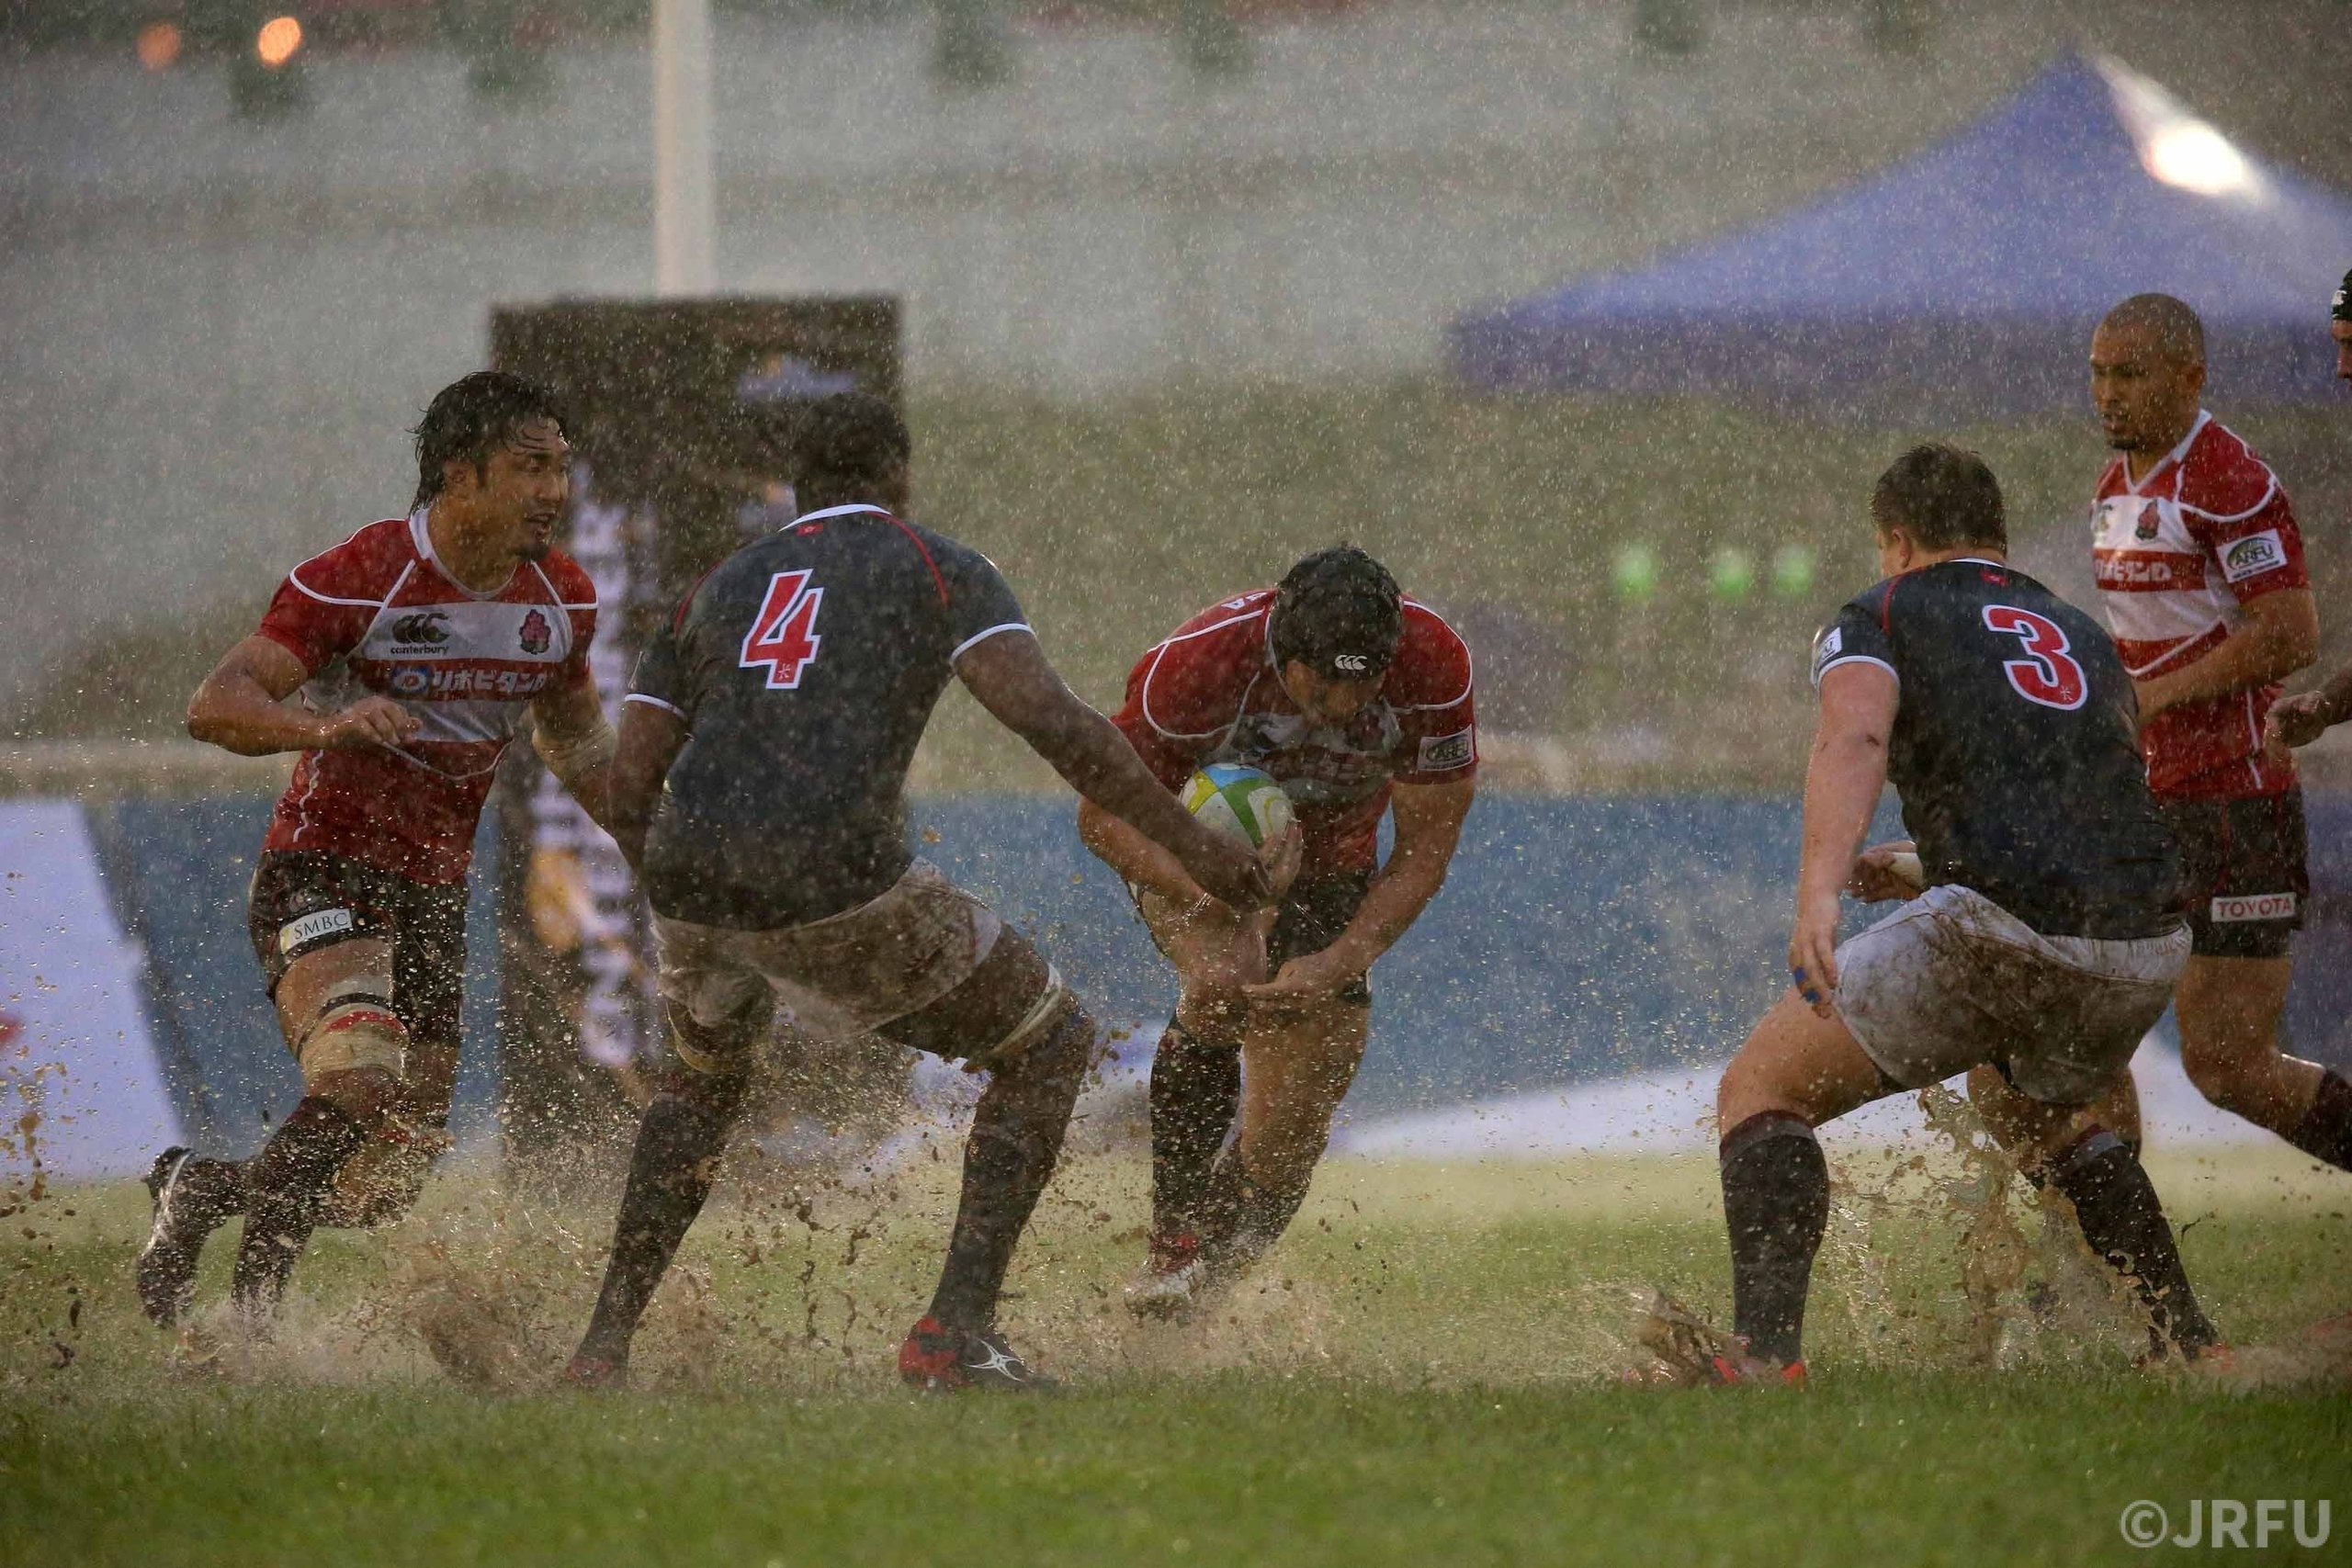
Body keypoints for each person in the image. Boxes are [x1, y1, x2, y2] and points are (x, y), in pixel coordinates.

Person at [560, 392, 1271, 1393]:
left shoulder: (717, 588)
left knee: (699, 1082)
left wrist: (700, 890)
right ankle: (954, 1335)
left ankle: (600, 1350)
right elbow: (1048, 719)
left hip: (687, 870)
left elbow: (631, 786)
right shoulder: (936, 564)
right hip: (825, 866)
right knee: (1051, 1043)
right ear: (898, 476)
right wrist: (1195, 844)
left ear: (799, 488)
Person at [1703, 444, 2217, 1384]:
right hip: (2145, 941)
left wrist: (1817, 893)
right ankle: (2187, 1343)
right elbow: (2075, 798)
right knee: (2034, 1117)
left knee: (1761, 1092)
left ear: (1895, 542)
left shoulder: (1884, 610)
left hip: (2012, 926)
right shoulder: (2076, 630)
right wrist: (1920, 862)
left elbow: (1854, 732)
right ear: (1996, 541)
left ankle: (1766, 1356)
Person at [144, 371, 621, 1329]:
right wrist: (326, 729)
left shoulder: (561, 598)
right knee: (358, 1071)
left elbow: (573, 739)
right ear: (462, 475)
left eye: (562, 470)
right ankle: (252, 1332)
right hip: (323, 866)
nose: (554, 493)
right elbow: (216, 705)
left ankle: (199, 1191)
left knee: (385, 1183)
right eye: (530, 469)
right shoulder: (363, 574)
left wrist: (652, 831)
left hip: (433, 892)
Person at [1083, 547, 1477, 1317]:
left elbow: (1427, 850)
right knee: (1224, 981)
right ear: (1279, 651)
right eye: (1320, 680)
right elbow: (1100, 816)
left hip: (1335, 866)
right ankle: (1173, 1243)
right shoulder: (1194, 669)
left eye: (1363, 682)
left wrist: (1339, 957)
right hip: (1193, 850)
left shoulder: (1435, 667)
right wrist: (1208, 879)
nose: (1338, 700)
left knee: (1295, 1123)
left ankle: (1194, 1296)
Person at [2084, 294, 2351, 1176]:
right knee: (2075, 1039)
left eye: (2130, 373)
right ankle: (2117, 1270)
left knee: (2229, 1068)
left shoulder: (2230, 478)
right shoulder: (2114, 484)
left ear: (2191, 376)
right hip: (2138, 802)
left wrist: (2158, 695)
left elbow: (2290, 634)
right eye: (2099, 373)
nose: (2109, 394)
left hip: (2234, 802)